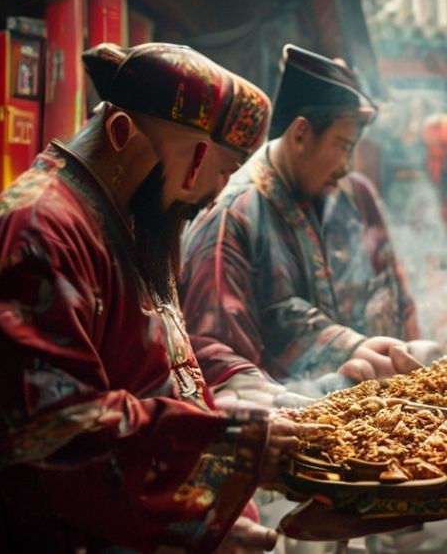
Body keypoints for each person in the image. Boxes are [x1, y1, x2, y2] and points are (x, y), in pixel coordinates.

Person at [0, 42, 310, 553]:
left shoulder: (126, 221)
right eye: (212, 166)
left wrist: (249, 391)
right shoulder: (34, 232)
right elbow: (54, 437)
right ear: (122, 133)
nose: (212, 193)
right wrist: (231, 446)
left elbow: (153, 357)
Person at [180, 45, 428, 404]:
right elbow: (214, 359)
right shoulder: (233, 215)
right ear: (300, 135)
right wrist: (339, 364)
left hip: (359, 414)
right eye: (343, 146)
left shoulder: (342, 196)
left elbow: (390, 294)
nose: (347, 165)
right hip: (279, 427)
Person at [322, 171, 419, 341]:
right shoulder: (308, 194)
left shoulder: (356, 187)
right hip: (330, 309)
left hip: (365, 302)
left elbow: (384, 245)